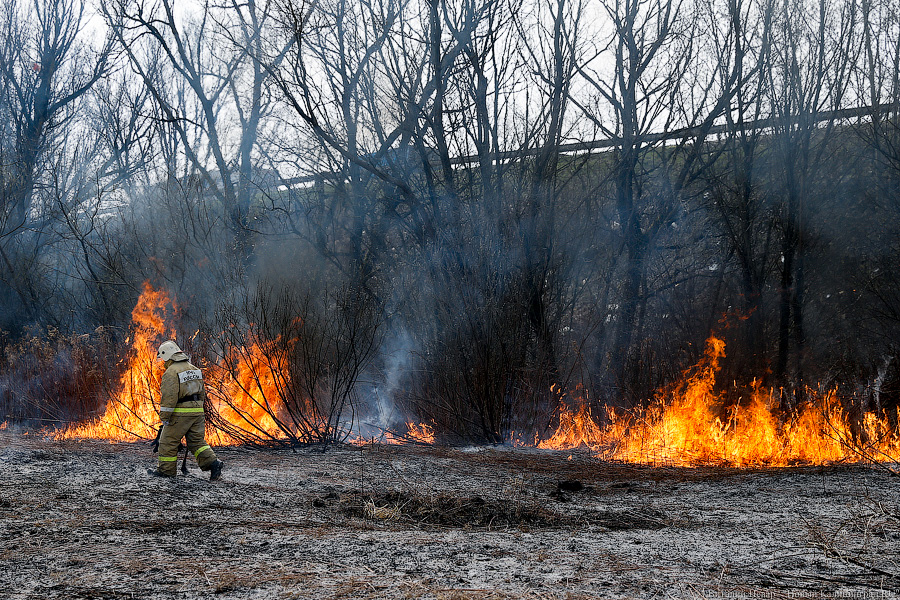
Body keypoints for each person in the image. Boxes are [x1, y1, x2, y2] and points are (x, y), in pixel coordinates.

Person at [148, 340, 224, 481]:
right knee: (196, 442)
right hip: (197, 412)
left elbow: (170, 397)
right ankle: (214, 463)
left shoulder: (171, 372)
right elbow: (202, 392)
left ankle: (166, 471)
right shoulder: (194, 369)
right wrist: (198, 410)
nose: (162, 361)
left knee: (167, 441)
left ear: (167, 355)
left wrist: (165, 416)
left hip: (180, 413)